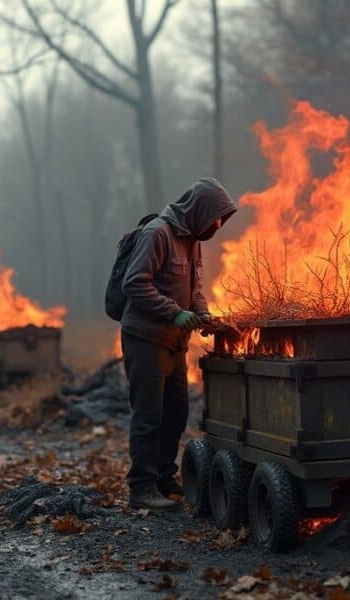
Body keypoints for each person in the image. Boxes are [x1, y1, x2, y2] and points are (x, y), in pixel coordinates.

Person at [120, 177, 236, 510]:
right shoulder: (158, 234)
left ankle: (162, 479)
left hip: (174, 343)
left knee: (176, 412)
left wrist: (202, 314)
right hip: (145, 339)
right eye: (215, 216)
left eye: (221, 219)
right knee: (148, 415)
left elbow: (195, 289)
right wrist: (174, 313)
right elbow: (134, 284)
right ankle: (140, 489)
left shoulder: (193, 241)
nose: (216, 224)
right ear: (198, 209)